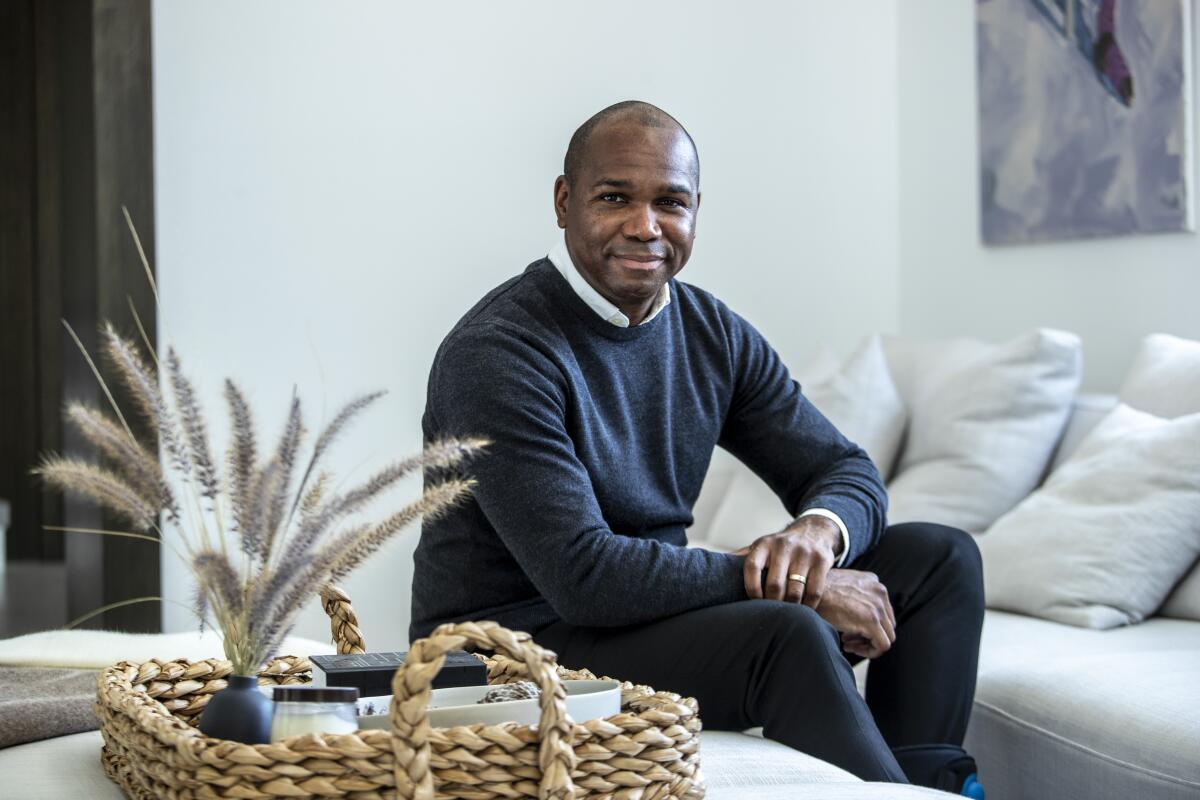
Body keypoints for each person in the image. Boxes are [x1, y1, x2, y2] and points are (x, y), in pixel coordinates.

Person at [411, 100, 985, 793]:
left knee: (939, 558)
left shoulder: (711, 332)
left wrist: (816, 538)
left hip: (639, 616)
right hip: (512, 648)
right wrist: (790, 584)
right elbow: (582, 576)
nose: (645, 226)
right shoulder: (498, 353)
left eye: (670, 202)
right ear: (565, 202)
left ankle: (930, 785)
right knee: (786, 634)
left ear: (695, 211)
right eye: (615, 197)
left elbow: (842, 468)